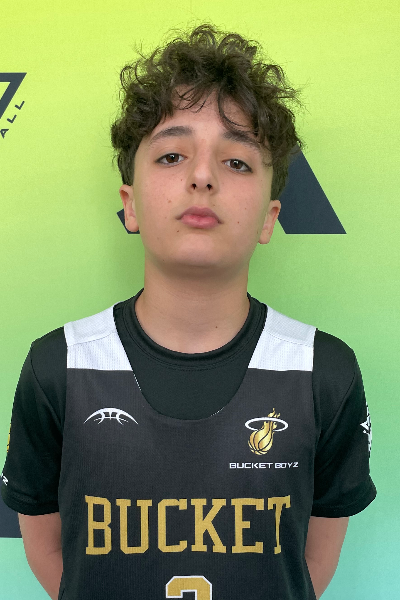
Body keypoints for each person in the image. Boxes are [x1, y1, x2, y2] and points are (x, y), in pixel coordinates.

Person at [1, 22, 376, 600]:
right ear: (129, 206)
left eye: (237, 162)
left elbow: (310, 563)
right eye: (172, 155)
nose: (202, 176)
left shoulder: (323, 372)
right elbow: (48, 548)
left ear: (270, 217)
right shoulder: (58, 366)